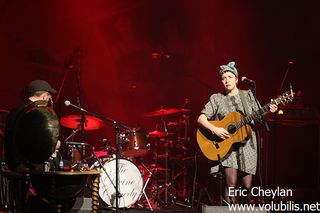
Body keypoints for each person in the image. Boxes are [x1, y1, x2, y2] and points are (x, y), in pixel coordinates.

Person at [197, 61, 278, 204]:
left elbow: (259, 119)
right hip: (228, 147)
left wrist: (270, 113)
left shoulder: (248, 95)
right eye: (223, 78)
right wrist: (215, 129)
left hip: (248, 145)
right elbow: (201, 118)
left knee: (247, 187)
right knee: (231, 186)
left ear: (236, 78)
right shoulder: (217, 98)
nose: (226, 80)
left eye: (229, 77)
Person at [4, 79, 61, 173]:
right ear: (44, 96)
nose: (49, 100)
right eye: (49, 97)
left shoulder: (16, 110)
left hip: (13, 163)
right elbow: (34, 143)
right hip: (27, 165)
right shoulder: (36, 113)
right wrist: (53, 145)